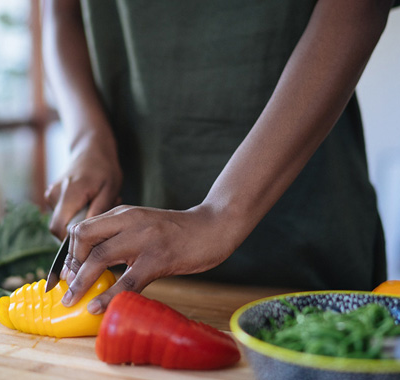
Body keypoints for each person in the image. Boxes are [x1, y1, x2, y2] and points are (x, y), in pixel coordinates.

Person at [42, 0, 394, 315]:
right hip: (133, 260)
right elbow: (59, 12)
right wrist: (88, 137)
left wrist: (221, 215)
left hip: (304, 235)